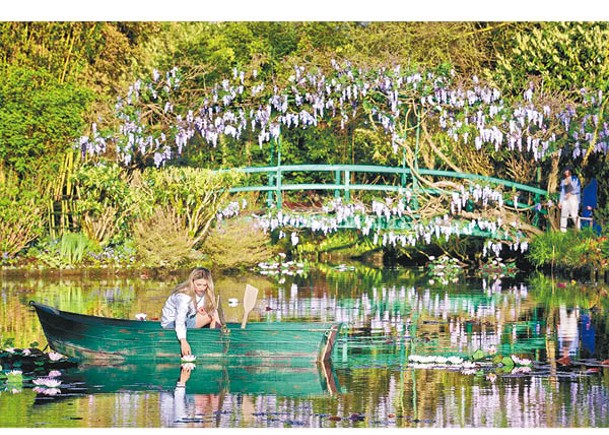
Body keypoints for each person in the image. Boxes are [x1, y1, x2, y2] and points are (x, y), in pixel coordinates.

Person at [161, 267, 222, 356]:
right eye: (199, 284)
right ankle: (214, 344)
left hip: (187, 319)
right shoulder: (183, 296)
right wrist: (183, 341)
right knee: (213, 315)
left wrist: (199, 308)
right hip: (171, 325)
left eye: (205, 285)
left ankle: (216, 341)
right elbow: (180, 320)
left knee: (212, 311)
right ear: (192, 282)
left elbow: (194, 305)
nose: (202, 288)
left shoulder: (200, 291)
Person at [558, 167, 581, 232]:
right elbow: (562, 192)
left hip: (573, 198)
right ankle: (562, 231)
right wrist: (560, 202)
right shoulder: (563, 181)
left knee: (574, 214)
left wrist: (570, 193)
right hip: (565, 199)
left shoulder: (575, 179)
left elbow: (578, 190)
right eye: (565, 171)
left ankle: (578, 230)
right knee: (564, 215)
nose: (566, 172)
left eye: (567, 171)